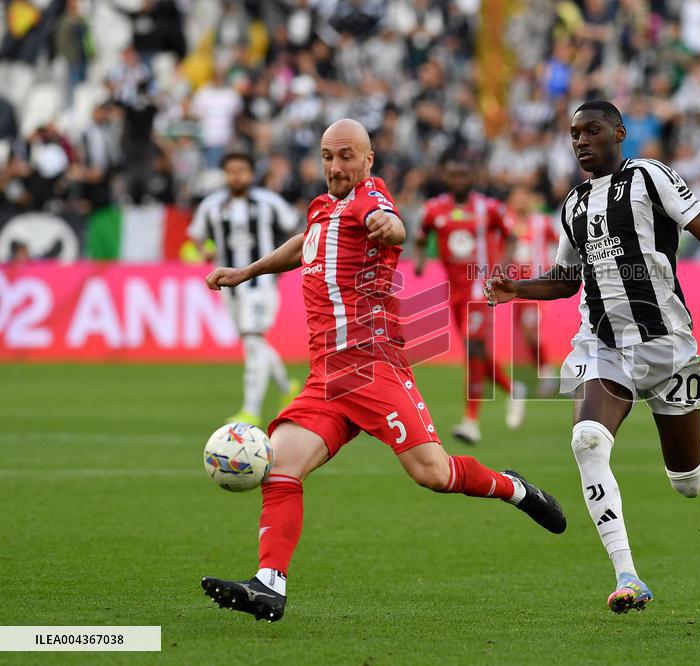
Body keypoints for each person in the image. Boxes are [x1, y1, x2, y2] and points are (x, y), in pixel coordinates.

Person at [200, 120, 566, 622]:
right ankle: (269, 584)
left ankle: (517, 488)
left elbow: (392, 222)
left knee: (434, 475)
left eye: (347, 156)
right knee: (280, 468)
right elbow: (303, 242)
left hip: (373, 368)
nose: (336, 166)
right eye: (329, 156)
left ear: (368, 160)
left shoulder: (371, 196)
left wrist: (390, 227)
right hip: (327, 377)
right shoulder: (323, 208)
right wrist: (247, 272)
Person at [485, 101, 700, 614]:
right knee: (587, 439)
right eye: (574, 134)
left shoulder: (649, 176)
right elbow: (567, 278)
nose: (580, 141)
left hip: (668, 345)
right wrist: (518, 288)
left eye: (591, 131)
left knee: (688, 481)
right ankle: (628, 576)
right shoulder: (572, 204)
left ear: (619, 132)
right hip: (604, 345)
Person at [413, 157, 527, 444]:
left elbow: (511, 236)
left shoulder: (489, 208)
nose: (459, 180)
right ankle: (513, 389)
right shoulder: (434, 209)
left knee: (474, 348)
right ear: (446, 177)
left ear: (472, 177)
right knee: (476, 352)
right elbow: (419, 236)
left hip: (481, 287)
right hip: (455, 292)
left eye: (464, 175)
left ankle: (471, 421)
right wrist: (419, 261)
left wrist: (502, 265)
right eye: (454, 175)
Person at [187, 152, 302, 426]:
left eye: (241, 170)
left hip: (261, 281)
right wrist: (205, 251)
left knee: (252, 340)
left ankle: (250, 411)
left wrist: (280, 260)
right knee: (255, 341)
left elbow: (294, 227)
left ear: (251, 174)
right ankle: (288, 389)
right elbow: (196, 233)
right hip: (229, 285)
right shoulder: (213, 205)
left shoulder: (267, 202)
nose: (236, 176)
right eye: (230, 171)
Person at [505, 185, 560, 397]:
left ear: (529, 200)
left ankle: (546, 374)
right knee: (525, 333)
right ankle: (542, 371)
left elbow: (559, 242)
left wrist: (558, 265)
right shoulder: (506, 222)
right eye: (515, 197)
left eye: (523, 197)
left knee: (530, 330)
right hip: (514, 289)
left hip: (537, 285)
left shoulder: (541, 222)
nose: (519, 202)